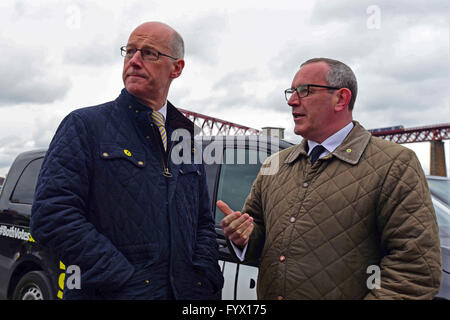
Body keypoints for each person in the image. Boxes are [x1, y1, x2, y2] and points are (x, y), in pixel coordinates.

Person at [218, 57, 442, 300]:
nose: (292, 101)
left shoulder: (395, 163)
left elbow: (413, 271)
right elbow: (258, 238)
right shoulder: (275, 165)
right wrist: (242, 238)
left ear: (341, 98)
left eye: (305, 91)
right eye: (291, 92)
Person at [30, 21, 223, 300]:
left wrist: (204, 278)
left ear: (177, 68)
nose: (134, 61)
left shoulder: (187, 139)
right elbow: (51, 216)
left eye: (148, 53)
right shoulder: (84, 125)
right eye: (129, 51)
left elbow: (203, 222)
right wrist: (123, 279)